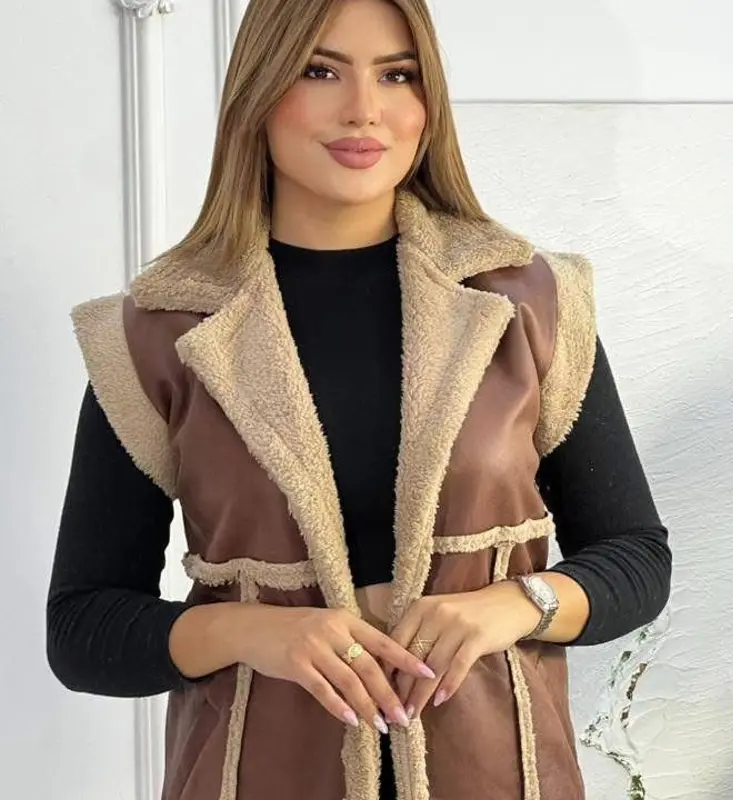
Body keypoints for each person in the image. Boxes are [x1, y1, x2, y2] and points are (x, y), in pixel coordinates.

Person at [46, 0, 672, 798]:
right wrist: (254, 632)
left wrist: (514, 604)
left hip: (501, 777)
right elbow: (83, 628)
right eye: (320, 71)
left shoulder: (528, 307)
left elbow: (636, 558)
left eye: (397, 75)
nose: (364, 109)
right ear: (260, 89)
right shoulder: (159, 333)